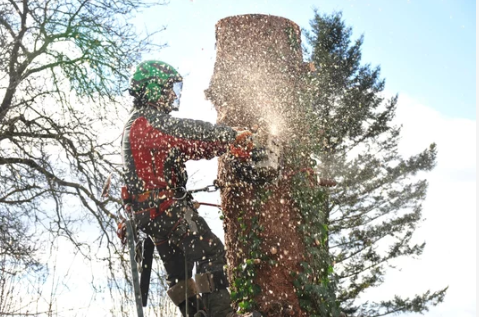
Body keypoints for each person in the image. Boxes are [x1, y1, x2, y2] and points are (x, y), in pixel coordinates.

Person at [118, 60, 260, 317]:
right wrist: (229, 136)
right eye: (169, 88)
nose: (173, 95)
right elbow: (190, 134)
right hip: (164, 209)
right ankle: (222, 314)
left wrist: (224, 146)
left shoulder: (137, 123)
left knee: (180, 271)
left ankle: (195, 314)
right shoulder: (148, 122)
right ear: (153, 88)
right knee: (211, 251)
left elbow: (191, 146)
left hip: (152, 214)